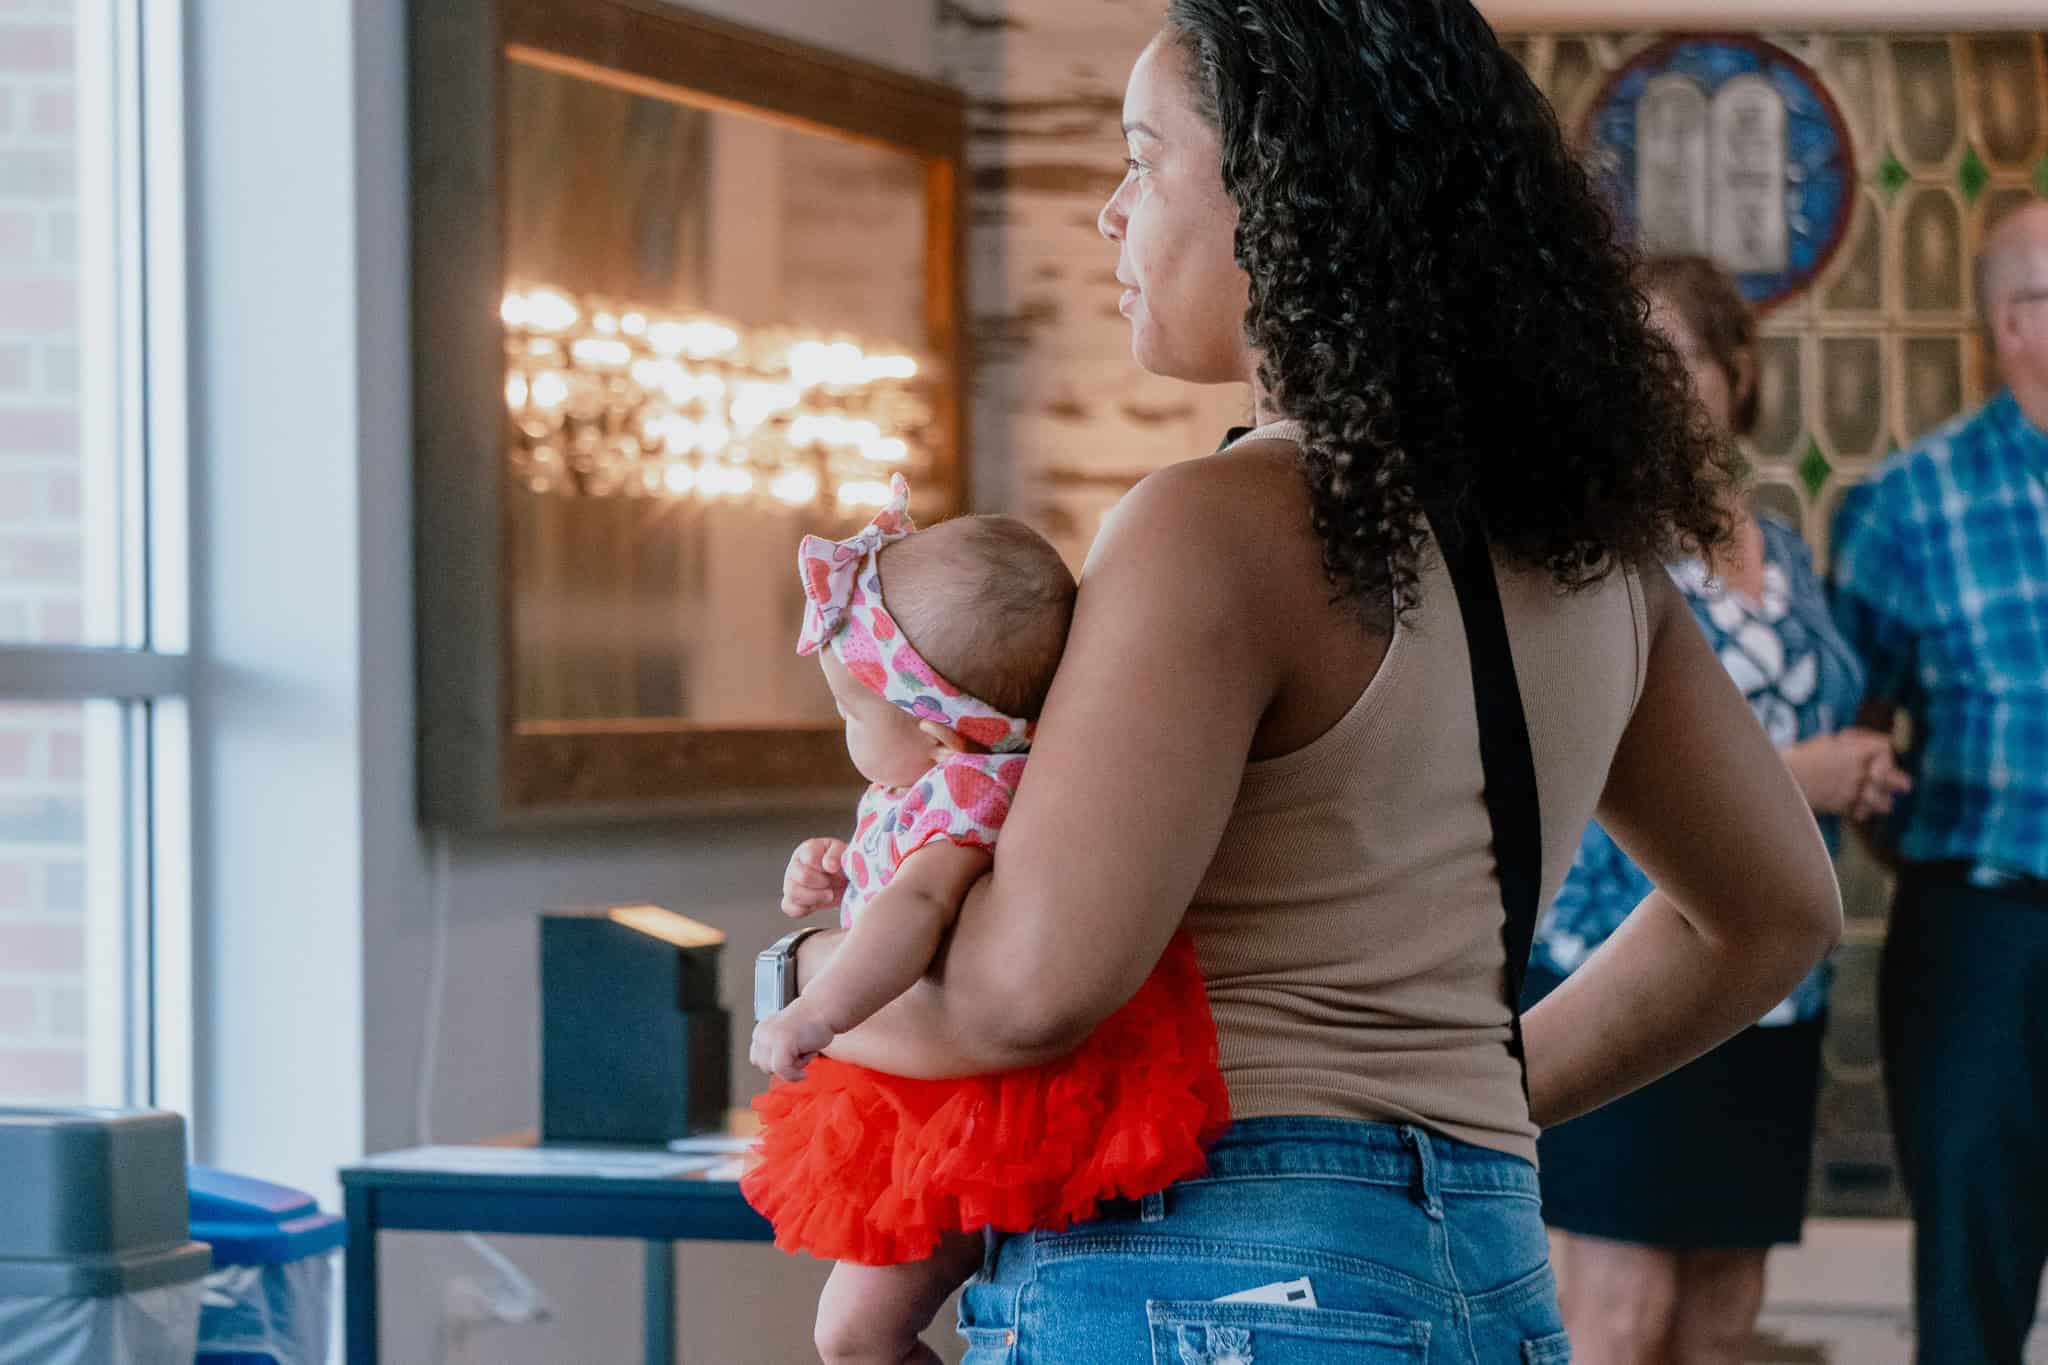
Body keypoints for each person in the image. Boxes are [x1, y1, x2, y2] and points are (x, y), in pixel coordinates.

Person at [785, 2, 1841, 1359]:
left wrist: (797, 975)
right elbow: (1769, 915)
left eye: (1143, 158)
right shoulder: (1599, 562)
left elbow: (1024, 994)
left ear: (1285, 198)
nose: (1111, 212)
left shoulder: (1207, 528)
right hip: (1484, 1269)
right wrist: (1472, 1106)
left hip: (1202, 1265)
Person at [743, 474, 1229, 1365]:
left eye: (851, 713)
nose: (843, 731)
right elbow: (890, 885)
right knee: (857, 1332)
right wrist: (837, 864)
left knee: (854, 1334)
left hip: (962, 1113)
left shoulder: (964, 804)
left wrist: (815, 1010)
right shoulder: (944, 787)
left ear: (942, 737)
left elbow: (915, 911)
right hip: (953, 1101)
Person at [1521, 255, 1911, 1365]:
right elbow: (1578, 759)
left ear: (1737, 372)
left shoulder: (1779, 545)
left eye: (1678, 352)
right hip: (1621, 974)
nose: (1649, 377)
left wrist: (1859, 773)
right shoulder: (1592, 543)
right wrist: (1802, 778)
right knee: (1621, 1311)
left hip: (1767, 991)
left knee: (1722, 1315)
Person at [1830, 201, 2048, 1365]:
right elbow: (1852, 743)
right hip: (1980, 943)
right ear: (2014, 321)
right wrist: (1935, 850)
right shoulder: (1908, 505)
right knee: (1971, 1286)